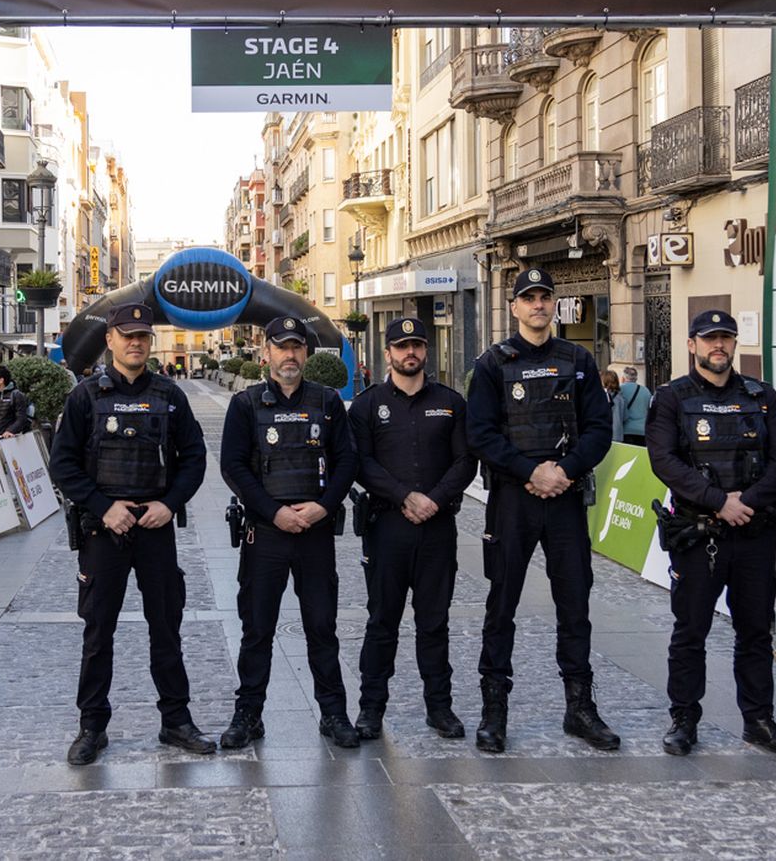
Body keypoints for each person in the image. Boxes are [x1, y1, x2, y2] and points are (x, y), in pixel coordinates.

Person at [48, 303, 214, 765]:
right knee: (98, 632)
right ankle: (92, 726)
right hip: (105, 532)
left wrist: (169, 503)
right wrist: (103, 507)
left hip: (155, 527)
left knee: (166, 628)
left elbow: (195, 458)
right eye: (127, 335)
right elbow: (62, 464)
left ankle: (176, 720)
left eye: (142, 335)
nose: (136, 342)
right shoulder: (85, 397)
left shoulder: (170, 395)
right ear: (110, 341)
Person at [467, 268, 618, 754]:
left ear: (554, 304)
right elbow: (481, 434)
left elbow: (599, 428)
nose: (537, 305)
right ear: (514, 307)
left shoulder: (578, 360)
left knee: (575, 604)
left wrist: (565, 470)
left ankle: (580, 708)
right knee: (502, 604)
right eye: (528, 298)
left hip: (566, 498)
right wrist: (531, 472)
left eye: (544, 297)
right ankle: (494, 710)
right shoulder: (492, 364)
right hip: (514, 500)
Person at [646, 310, 776, 758]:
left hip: (754, 531)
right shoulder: (671, 398)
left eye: (726, 338)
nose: (719, 345)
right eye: (710, 338)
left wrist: (744, 503)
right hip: (699, 535)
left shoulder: (762, 396)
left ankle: (759, 720)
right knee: (690, 631)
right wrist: (719, 502)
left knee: (755, 632)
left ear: (734, 344)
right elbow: (664, 461)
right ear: (692, 344)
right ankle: (684, 718)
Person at [219, 316, 360, 750]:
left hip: (315, 533)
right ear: (267, 354)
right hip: (266, 534)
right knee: (257, 629)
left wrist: (323, 506)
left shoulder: (327, 401)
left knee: (321, 626)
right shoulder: (245, 405)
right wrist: (274, 512)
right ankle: (248, 715)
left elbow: (347, 462)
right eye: (282, 347)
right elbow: (233, 466)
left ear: (306, 353)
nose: (290, 355)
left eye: (297, 347)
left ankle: (334, 713)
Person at [349, 317, 476, 741]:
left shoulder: (451, 402)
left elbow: (465, 461)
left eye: (417, 345)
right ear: (387, 353)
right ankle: (370, 710)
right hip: (387, 527)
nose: (410, 352)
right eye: (402, 346)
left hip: (437, 529)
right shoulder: (367, 405)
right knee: (382, 622)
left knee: (434, 623)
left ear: (426, 350)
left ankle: (440, 709)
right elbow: (361, 463)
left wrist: (434, 499)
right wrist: (405, 496)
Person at [0, 365, 32, 439]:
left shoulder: (16, 395)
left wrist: (10, 430)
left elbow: (21, 418)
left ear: (1, 380)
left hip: (9, 440)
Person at [619, 366, 651, 446]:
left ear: (623, 378)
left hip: (627, 430)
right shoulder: (646, 391)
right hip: (642, 430)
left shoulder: (620, 390)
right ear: (636, 378)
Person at [602, 370, 627, 444]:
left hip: (603, 432)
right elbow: (625, 417)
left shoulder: (600, 396)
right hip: (618, 434)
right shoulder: (621, 398)